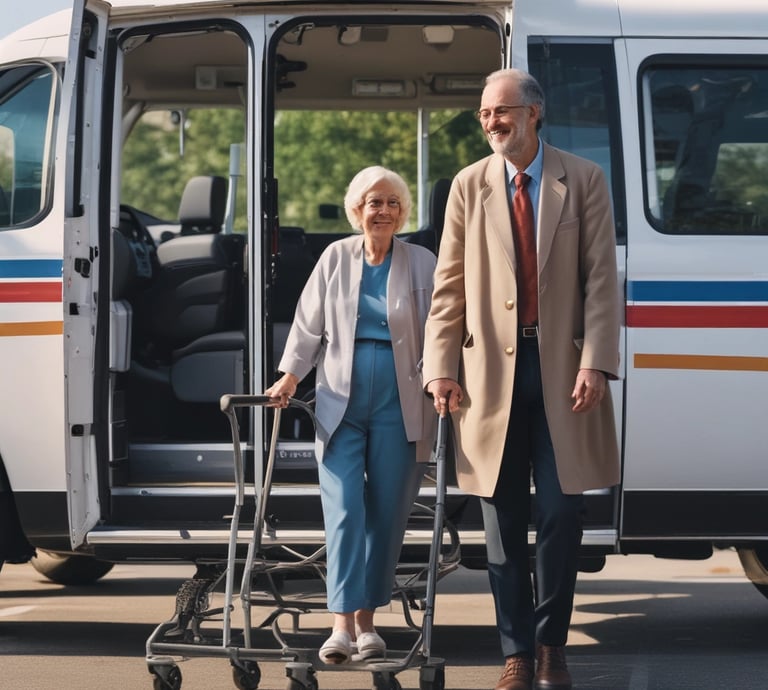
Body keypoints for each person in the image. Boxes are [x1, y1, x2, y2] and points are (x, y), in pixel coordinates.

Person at [423, 69, 621, 690]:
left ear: (534, 113)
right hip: (487, 380)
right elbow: (448, 286)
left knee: (563, 514)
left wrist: (596, 360)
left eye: (501, 112)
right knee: (502, 523)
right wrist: (442, 369)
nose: (490, 123)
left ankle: (551, 646)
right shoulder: (467, 185)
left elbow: (600, 281)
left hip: (565, 373)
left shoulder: (583, 179)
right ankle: (515, 652)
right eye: (483, 114)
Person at [266, 166, 437, 665]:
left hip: (403, 400)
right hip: (339, 396)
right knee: (344, 512)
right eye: (371, 202)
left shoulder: (423, 261)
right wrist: (290, 376)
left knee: (386, 515)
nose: (380, 211)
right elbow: (307, 325)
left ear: (402, 212)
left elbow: (444, 326)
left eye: (390, 203)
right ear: (356, 210)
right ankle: (340, 624)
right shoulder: (335, 257)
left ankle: (368, 623)